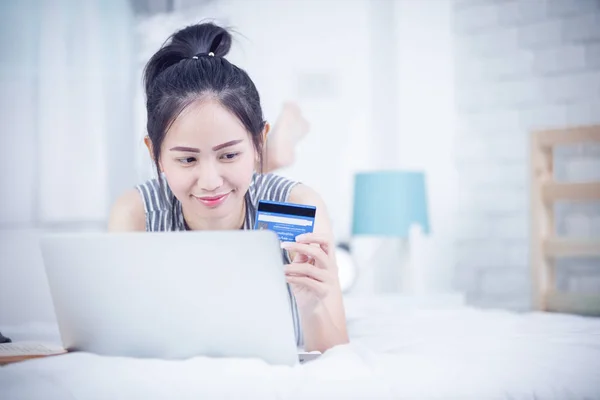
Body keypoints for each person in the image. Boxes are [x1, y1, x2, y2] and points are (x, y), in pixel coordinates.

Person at [108, 22, 348, 353]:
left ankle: (278, 143)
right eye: (187, 160)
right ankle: (272, 149)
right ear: (155, 154)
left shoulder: (293, 207)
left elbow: (335, 353)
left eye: (229, 153)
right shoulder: (137, 213)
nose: (209, 182)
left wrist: (312, 308)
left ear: (256, 142)